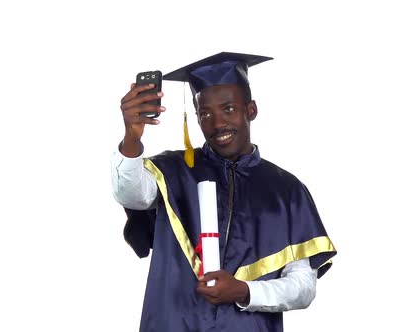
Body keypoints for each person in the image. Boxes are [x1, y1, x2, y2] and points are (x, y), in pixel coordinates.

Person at [111, 52, 337, 332]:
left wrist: (244, 291)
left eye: (228, 108)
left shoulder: (286, 190)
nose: (217, 124)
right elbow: (131, 194)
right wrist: (132, 136)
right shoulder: (173, 170)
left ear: (251, 110)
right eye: (205, 113)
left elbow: (303, 287)